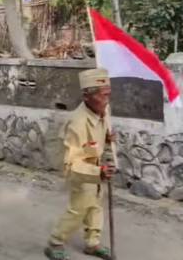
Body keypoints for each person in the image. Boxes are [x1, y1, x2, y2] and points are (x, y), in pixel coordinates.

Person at [44, 68, 117, 260]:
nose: (106, 100)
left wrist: (107, 138)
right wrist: (98, 172)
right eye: (102, 96)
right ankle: (55, 242)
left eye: (108, 95)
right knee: (79, 208)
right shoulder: (77, 123)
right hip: (81, 169)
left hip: (96, 165)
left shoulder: (103, 110)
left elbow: (98, 137)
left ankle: (92, 242)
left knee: (95, 205)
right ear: (86, 96)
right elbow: (72, 163)